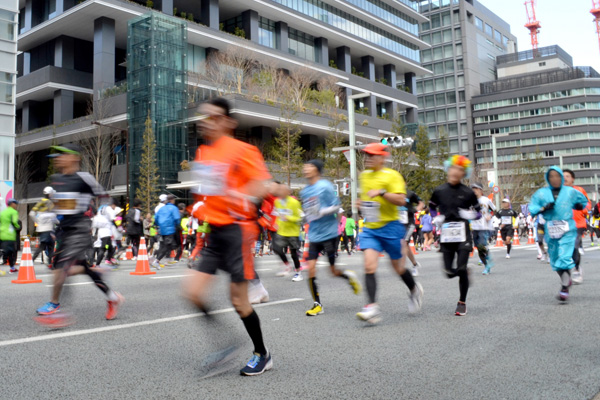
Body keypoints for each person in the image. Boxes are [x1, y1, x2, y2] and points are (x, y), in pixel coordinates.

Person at [185, 98, 273, 376]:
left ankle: (262, 353)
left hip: (237, 232)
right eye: (203, 117)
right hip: (214, 232)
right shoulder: (202, 153)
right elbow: (205, 192)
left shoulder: (243, 149)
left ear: (227, 122)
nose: (204, 122)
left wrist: (241, 194)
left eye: (212, 117)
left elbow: (261, 184)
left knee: (239, 302)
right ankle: (226, 344)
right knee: (193, 294)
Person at [35, 144, 123, 322]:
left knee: (62, 268)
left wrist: (92, 211)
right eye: (56, 157)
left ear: (74, 158)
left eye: (62, 155)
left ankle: (57, 309)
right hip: (63, 230)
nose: (58, 159)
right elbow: (60, 206)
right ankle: (113, 298)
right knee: (79, 268)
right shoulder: (56, 178)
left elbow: (104, 196)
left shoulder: (84, 178)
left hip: (80, 229)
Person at [355, 143, 423, 324]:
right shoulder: (363, 176)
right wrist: (361, 203)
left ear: (382, 157)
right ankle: (372, 307)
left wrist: (382, 192)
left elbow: (401, 200)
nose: (368, 158)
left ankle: (414, 289)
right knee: (369, 266)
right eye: (366, 155)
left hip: (391, 227)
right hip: (370, 228)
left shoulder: (393, 176)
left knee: (398, 268)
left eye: (372, 155)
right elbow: (366, 198)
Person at [300, 159, 361, 317]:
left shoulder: (325, 186)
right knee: (311, 269)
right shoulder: (305, 191)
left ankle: (347, 276)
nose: (306, 169)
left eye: (310, 167)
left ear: (317, 170)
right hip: (314, 235)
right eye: (305, 166)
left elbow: (337, 206)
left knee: (332, 271)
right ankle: (317, 304)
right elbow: (308, 212)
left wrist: (323, 212)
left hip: (329, 234)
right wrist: (303, 217)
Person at [429, 155, 480, 316]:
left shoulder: (468, 193)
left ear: (464, 173)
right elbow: (431, 206)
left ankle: (462, 302)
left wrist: (470, 215)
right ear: (448, 169)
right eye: (453, 168)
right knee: (448, 272)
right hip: (446, 235)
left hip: (463, 233)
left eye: (460, 169)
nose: (455, 172)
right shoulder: (439, 190)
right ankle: (464, 272)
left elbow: (478, 213)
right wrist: (435, 217)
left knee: (461, 267)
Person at [529, 167, 587, 301]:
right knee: (555, 259)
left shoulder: (570, 191)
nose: (555, 179)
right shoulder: (542, 193)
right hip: (551, 229)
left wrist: (579, 205)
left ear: (561, 177)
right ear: (548, 178)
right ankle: (565, 279)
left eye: (557, 176)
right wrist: (543, 208)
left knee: (565, 255)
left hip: (567, 228)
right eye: (552, 176)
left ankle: (565, 287)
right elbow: (533, 207)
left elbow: (583, 202)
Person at [562, 169, 590, 284]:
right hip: (563, 225)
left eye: (567, 176)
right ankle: (569, 270)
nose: (565, 178)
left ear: (572, 179)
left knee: (574, 245)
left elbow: (587, 203)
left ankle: (577, 270)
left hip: (578, 223)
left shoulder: (579, 190)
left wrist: (583, 210)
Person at [272, 182, 303, 281]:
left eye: (282, 190)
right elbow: (278, 214)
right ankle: (287, 266)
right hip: (282, 231)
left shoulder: (295, 203)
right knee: (276, 248)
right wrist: (276, 223)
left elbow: (299, 218)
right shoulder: (277, 201)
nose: (280, 192)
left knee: (294, 254)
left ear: (288, 192)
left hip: (293, 232)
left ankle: (298, 273)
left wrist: (288, 218)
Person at [470, 183, 496, 275]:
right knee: (479, 249)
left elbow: (494, 209)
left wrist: (489, 215)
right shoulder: (470, 201)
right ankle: (487, 265)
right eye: (472, 189)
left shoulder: (485, 200)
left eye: (476, 189)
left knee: (482, 246)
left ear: (481, 190)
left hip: (484, 227)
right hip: (474, 227)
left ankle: (488, 259)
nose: (474, 191)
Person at [30, 187, 58, 267]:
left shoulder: (40, 202)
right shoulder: (50, 203)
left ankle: (49, 263)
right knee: (48, 246)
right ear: (50, 194)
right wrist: (58, 222)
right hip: (48, 229)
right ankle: (50, 263)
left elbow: (31, 213)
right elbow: (54, 217)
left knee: (44, 246)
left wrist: (38, 222)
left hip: (40, 229)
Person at [151, 194, 180, 269]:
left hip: (162, 229)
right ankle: (157, 261)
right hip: (170, 229)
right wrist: (177, 226)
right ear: (172, 200)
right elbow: (177, 218)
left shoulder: (162, 208)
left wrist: (159, 225)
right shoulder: (173, 208)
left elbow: (156, 218)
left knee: (164, 245)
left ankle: (160, 258)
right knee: (168, 246)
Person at [399, 190, 424, 276]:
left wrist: (415, 210)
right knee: (405, 245)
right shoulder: (392, 192)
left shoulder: (410, 193)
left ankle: (402, 268)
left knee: (404, 242)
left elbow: (421, 203)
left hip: (409, 223)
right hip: (398, 224)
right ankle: (415, 264)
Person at [0, 199, 21, 274]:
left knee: (9, 252)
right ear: (12, 204)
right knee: (6, 251)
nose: (16, 206)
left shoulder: (3, 212)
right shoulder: (14, 212)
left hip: (2, 233)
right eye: (15, 204)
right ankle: (12, 267)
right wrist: (18, 227)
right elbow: (15, 222)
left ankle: (12, 267)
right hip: (9, 235)